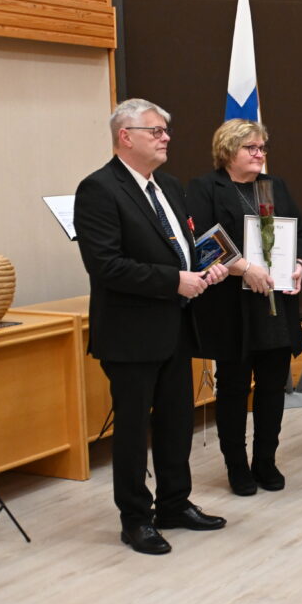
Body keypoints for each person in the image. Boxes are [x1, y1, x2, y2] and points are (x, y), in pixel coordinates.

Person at [73, 98, 229, 555]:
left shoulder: (170, 187)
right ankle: (136, 519)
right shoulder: (99, 189)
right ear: (125, 136)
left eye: (165, 131)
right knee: (132, 430)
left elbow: (182, 248)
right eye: (156, 131)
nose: (166, 138)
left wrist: (206, 269)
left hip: (175, 326)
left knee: (177, 422)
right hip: (130, 333)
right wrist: (174, 281)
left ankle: (175, 504)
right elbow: (106, 266)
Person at [187, 119, 302, 495]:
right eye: (251, 148)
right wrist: (244, 268)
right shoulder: (205, 188)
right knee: (233, 389)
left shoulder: (273, 187)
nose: (260, 154)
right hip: (231, 306)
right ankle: (237, 466)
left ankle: (266, 461)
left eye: (262, 148)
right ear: (228, 151)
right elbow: (202, 242)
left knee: (273, 388)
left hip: (275, 305)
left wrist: (299, 264)